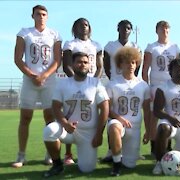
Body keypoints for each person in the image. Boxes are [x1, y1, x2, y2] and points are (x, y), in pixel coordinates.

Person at [42, 52, 109, 178]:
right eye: (79, 62)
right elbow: (55, 107)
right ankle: (57, 164)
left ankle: (84, 157)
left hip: (88, 132)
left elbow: (104, 108)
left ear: (90, 65)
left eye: (85, 62)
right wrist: (65, 123)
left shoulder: (95, 83)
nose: (82, 64)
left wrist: (99, 133)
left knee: (87, 169)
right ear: (72, 65)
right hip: (68, 130)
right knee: (49, 130)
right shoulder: (63, 83)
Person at [12, 5, 62, 168]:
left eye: (44, 14)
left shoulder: (54, 34)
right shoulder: (24, 33)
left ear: (47, 16)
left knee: (50, 119)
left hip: (49, 81)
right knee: (25, 118)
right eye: (38, 14)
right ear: (32, 16)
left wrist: (44, 76)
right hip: (29, 80)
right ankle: (21, 155)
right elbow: (18, 59)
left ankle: (50, 154)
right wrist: (33, 76)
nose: (41, 17)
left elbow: (57, 61)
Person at [62, 17, 103, 165]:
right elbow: (67, 65)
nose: (83, 27)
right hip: (75, 83)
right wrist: (77, 82)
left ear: (89, 27)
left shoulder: (96, 45)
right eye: (80, 25)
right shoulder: (70, 44)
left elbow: (99, 67)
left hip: (91, 85)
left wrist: (93, 83)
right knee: (70, 115)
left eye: (86, 24)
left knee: (95, 114)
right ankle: (68, 153)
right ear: (75, 28)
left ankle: (92, 145)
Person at [101, 20, 142, 163]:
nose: (126, 30)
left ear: (131, 31)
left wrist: (130, 79)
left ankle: (131, 150)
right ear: (118, 28)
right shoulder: (110, 46)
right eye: (123, 27)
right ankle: (110, 150)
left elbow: (137, 67)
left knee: (132, 113)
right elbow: (106, 64)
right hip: (115, 84)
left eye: (129, 28)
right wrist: (114, 79)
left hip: (129, 83)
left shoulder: (135, 46)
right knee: (111, 117)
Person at [106, 47, 151, 176]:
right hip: (119, 123)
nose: (130, 65)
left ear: (136, 63)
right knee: (114, 126)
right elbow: (107, 109)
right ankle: (116, 163)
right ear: (120, 64)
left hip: (135, 128)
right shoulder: (113, 84)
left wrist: (148, 130)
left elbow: (147, 110)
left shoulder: (142, 85)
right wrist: (119, 118)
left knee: (130, 165)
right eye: (127, 62)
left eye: (133, 62)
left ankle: (119, 155)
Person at [142, 20, 180, 156]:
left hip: (171, 85)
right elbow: (145, 69)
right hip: (156, 85)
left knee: (170, 114)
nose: (164, 30)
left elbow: (179, 67)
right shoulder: (151, 47)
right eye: (161, 28)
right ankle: (154, 146)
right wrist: (147, 87)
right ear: (156, 30)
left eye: (166, 28)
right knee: (154, 116)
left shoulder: (175, 47)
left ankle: (167, 145)